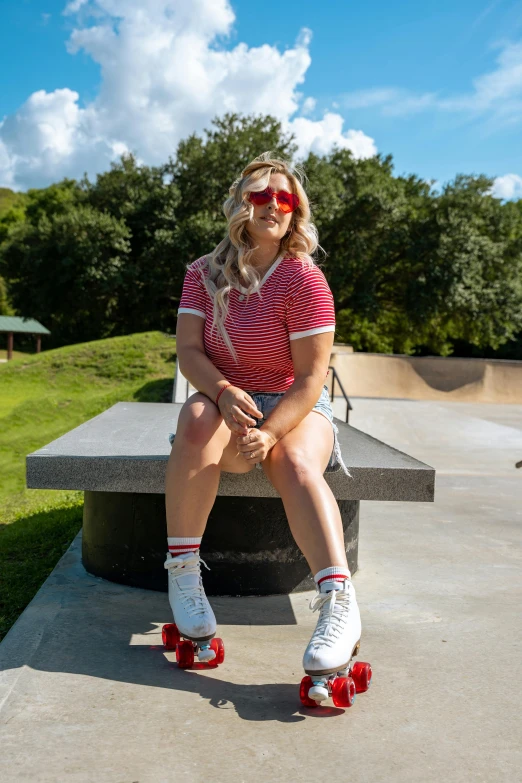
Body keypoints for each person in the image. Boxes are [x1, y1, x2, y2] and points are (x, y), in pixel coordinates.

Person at [164, 152, 361, 700]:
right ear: (239, 205)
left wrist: (272, 433)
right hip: (228, 399)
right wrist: (224, 392)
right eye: (259, 195)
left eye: (284, 197)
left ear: (295, 211)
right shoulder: (202, 272)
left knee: (293, 461)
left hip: (295, 406)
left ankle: (339, 602)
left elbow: (310, 379)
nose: (272, 204)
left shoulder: (303, 277)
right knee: (195, 416)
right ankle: (183, 573)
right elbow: (187, 352)